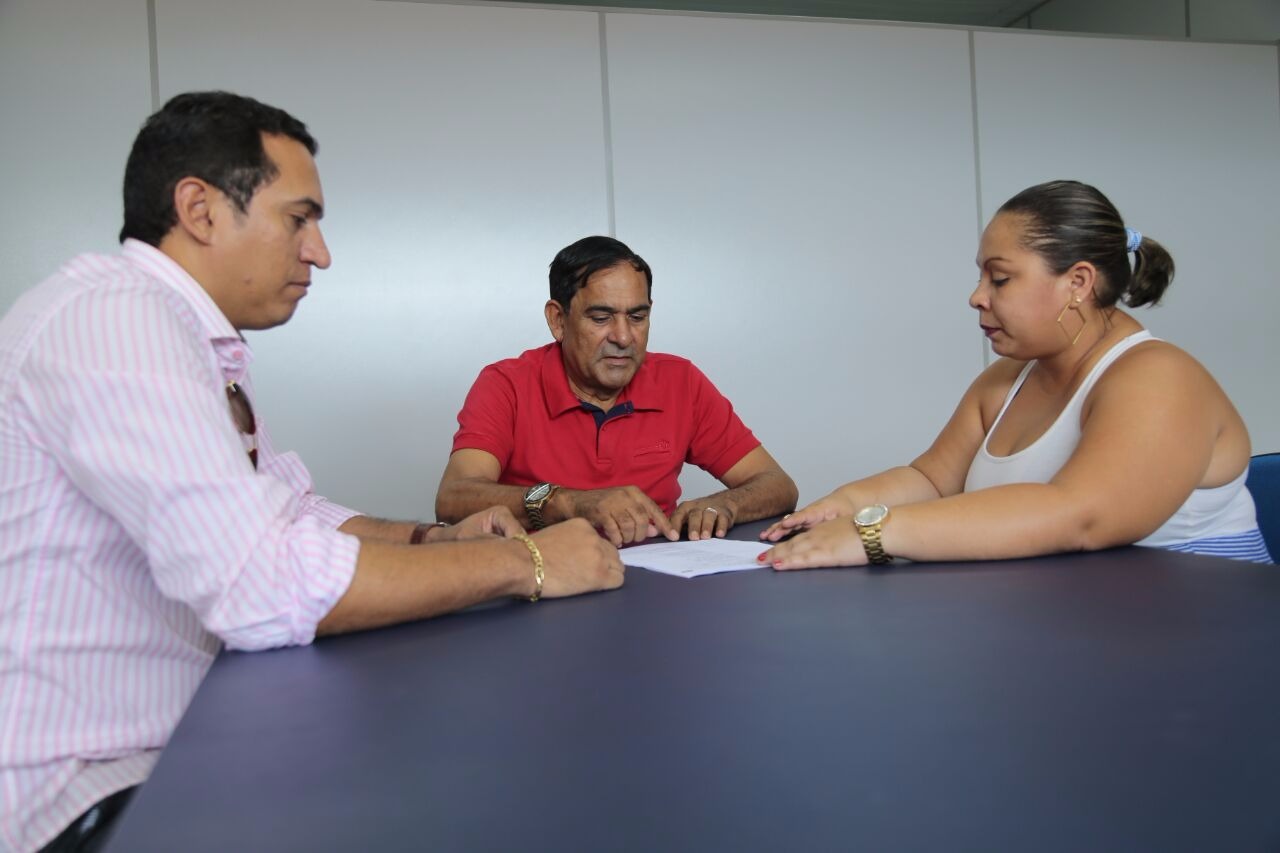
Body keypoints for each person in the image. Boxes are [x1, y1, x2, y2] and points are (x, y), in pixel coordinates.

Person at [0, 92, 623, 853]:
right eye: (299, 218)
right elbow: (259, 581)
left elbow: (287, 511)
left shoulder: (185, 336)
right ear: (198, 209)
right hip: (83, 796)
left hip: (174, 752)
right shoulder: (116, 319)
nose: (319, 251)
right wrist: (523, 561)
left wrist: (434, 537)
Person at [760, 180, 1272, 570]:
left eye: (1000, 278)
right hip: (1081, 629)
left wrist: (870, 533)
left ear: (1078, 282)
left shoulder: (1159, 378)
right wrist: (842, 506)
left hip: (1195, 638)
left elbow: (1081, 514)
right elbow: (932, 480)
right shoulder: (1006, 379)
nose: (977, 296)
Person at [435, 236, 798, 546]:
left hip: (659, 589)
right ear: (557, 320)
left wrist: (726, 504)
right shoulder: (506, 385)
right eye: (601, 318)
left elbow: (777, 485)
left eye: (637, 318)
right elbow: (454, 497)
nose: (624, 337)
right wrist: (572, 503)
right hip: (543, 584)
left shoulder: (681, 382)